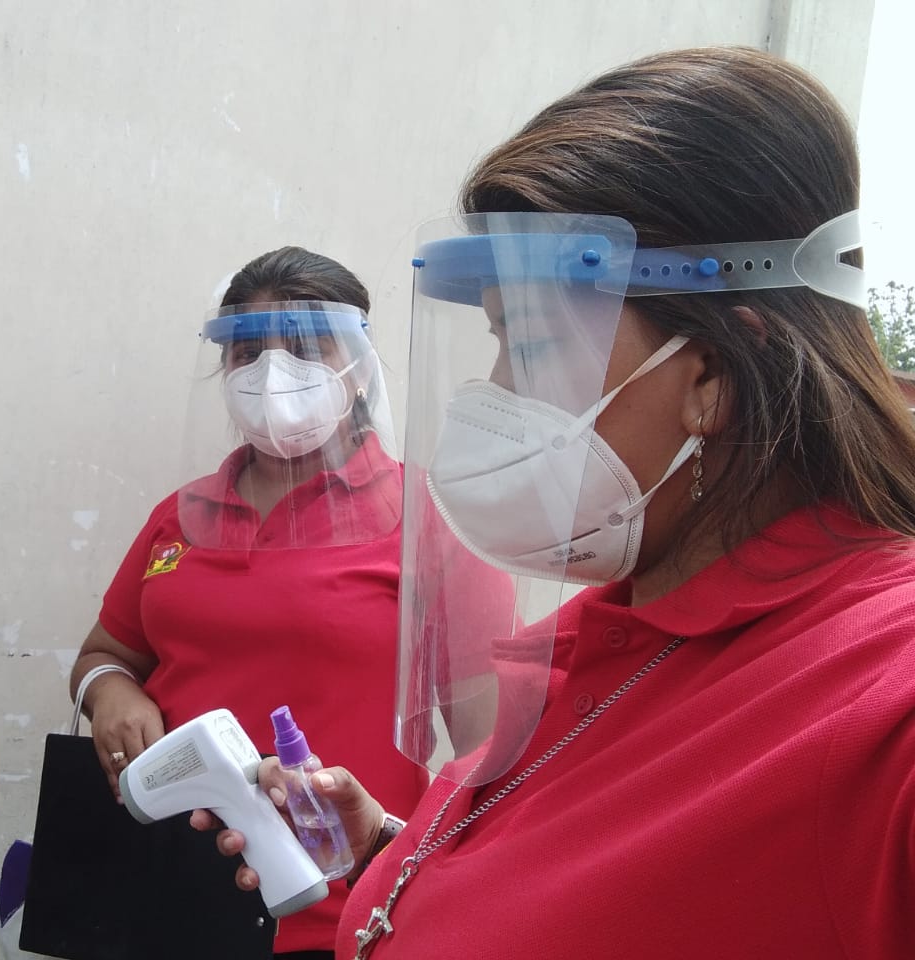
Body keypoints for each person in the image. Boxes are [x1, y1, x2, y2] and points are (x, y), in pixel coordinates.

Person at [210, 47, 915, 959]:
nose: (495, 395)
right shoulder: (621, 628)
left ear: (710, 375)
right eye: (498, 342)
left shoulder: (881, 702)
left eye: (533, 346)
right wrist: (392, 851)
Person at [69, 246, 430, 957]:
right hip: (162, 888)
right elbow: (104, 654)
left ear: (359, 369)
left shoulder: (420, 516)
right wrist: (109, 693)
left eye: (304, 348)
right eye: (247, 352)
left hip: (343, 906)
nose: (272, 372)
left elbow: (490, 740)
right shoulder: (181, 516)